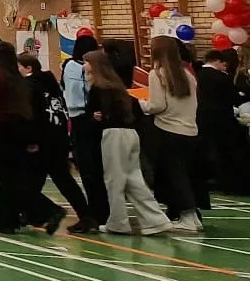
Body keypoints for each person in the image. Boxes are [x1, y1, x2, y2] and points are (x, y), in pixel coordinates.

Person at [0, 40, 65, 236]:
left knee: (9, 179)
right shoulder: (17, 79)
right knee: (9, 177)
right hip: (23, 130)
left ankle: (48, 210)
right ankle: (4, 220)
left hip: (5, 129)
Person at [84, 50, 173, 235]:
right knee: (134, 179)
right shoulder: (118, 87)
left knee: (114, 180)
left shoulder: (98, 88)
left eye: (86, 63)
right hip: (131, 135)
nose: (84, 66)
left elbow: (94, 115)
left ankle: (118, 222)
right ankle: (155, 220)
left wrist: (95, 117)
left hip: (113, 135)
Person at [20, 52, 95, 233]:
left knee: (56, 180)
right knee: (42, 180)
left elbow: (34, 115)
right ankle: (32, 214)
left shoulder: (30, 86)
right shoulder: (51, 84)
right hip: (59, 136)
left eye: (19, 67)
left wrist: (31, 139)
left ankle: (82, 216)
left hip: (44, 140)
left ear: (28, 68)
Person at [140, 36, 203, 233]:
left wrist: (139, 104)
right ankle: (192, 216)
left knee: (175, 177)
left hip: (168, 131)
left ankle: (188, 217)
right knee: (185, 175)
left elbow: (158, 106)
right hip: (190, 132)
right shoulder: (187, 75)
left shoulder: (157, 74)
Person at [64, 35, 109, 228]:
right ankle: (97, 211)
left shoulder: (68, 66)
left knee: (90, 169)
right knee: (91, 168)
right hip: (84, 118)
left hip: (80, 118)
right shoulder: (82, 69)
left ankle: (97, 211)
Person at [196, 48, 248, 204]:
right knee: (226, 154)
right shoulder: (221, 77)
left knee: (207, 153)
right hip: (222, 121)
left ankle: (212, 181)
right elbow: (233, 98)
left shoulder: (196, 74)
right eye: (224, 64)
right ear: (218, 62)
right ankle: (231, 184)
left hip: (201, 120)